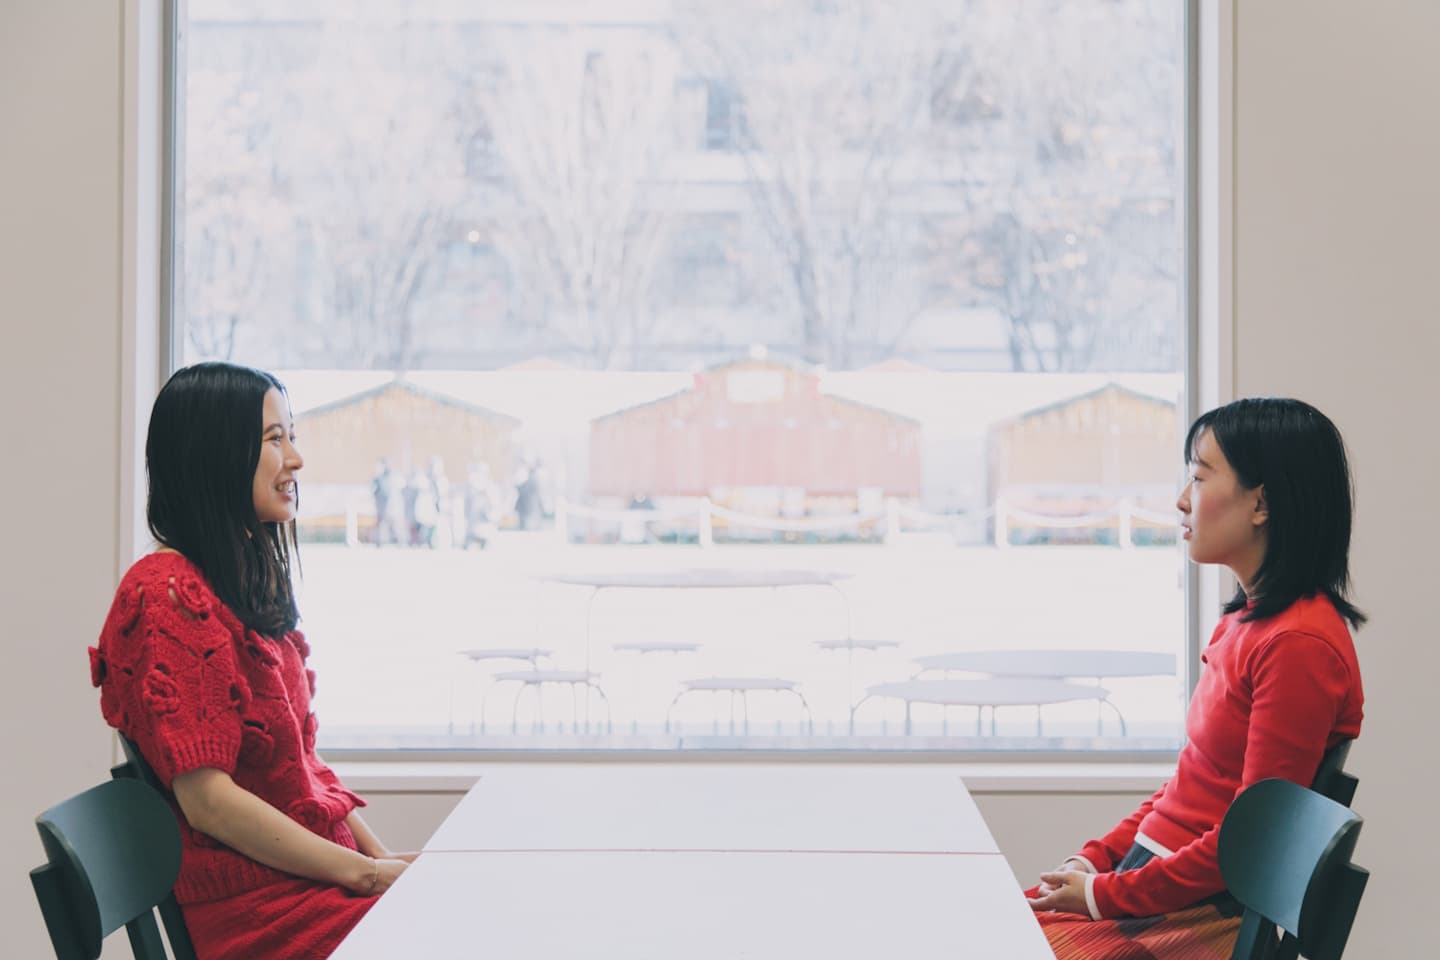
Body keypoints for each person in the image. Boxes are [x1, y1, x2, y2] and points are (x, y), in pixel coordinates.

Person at [88, 363, 416, 960]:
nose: (295, 459)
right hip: (262, 916)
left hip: (310, 889)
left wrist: (380, 860)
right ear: (215, 453)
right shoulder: (163, 595)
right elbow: (209, 802)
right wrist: (365, 875)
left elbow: (303, 766)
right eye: (274, 439)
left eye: (292, 436)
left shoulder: (236, 586)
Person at [1025, 397, 1365, 959]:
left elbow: (1251, 842)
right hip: (1157, 882)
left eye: (1200, 477)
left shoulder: (1298, 645)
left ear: (1262, 503)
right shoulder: (1249, 622)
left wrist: (1105, 894)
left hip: (1197, 914)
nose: (1183, 500)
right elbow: (1192, 783)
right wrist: (1097, 859)